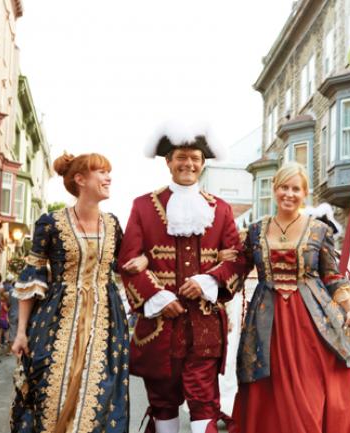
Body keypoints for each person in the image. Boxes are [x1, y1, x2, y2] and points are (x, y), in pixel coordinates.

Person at [118, 123, 245, 433]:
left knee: (204, 400)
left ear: (203, 164)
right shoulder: (143, 206)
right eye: (181, 157)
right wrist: (158, 297)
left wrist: (208, 281)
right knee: (163, 400)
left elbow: (238, 261)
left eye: (195, 158)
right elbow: (127, 261)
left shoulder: (222, 209)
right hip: (160, 326)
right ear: (168, 162)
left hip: (204, 326)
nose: (188, 164)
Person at [10, 153, 137, 433]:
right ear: (80, 179)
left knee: (101, 395)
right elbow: (32, 280)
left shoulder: (113, 224)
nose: (108, 178)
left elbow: (124, 264)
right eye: (101, 172)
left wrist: (142, 261)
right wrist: (21, 332)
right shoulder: (51, 223)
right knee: (49, 389)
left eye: (108, 172)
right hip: (57, 317)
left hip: (106, 320)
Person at [232, 162, 350, 433]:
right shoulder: (255, 231)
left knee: (310, 391)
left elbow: (331, 274)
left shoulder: (319, 230)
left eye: (295, 189)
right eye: (283, 187)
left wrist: (349, 306)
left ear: (305, 193)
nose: (289, 194)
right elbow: (237, 271)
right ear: (274, 189)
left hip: (310, 321)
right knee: (269, 388)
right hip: (267, 322)